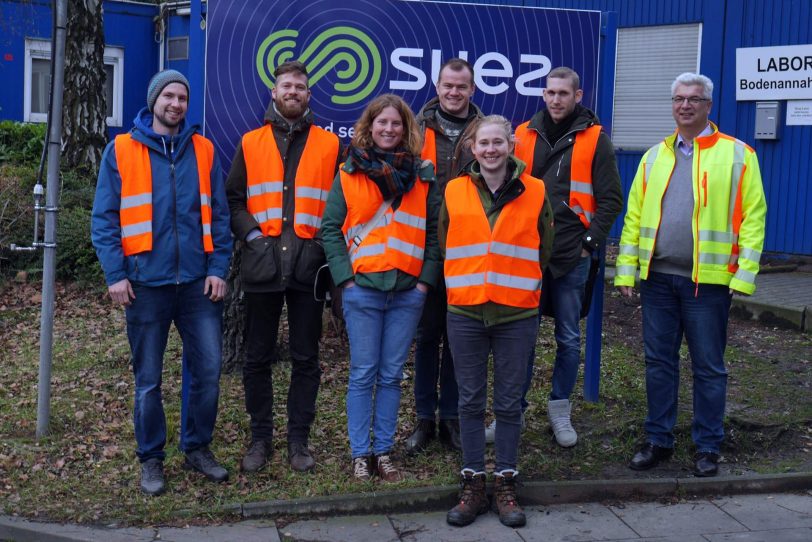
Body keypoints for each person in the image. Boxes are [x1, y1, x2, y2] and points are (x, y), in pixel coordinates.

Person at [615, 72, 767, 477]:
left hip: (710, 283)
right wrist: (626, 272)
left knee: (709, 366)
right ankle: (658, 441)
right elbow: (633, 219)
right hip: (659, 279)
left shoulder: (738, 155)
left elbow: (754, 218)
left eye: (694, 99)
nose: (685, 105)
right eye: (679, 98)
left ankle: (707, 446)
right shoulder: (653, 157)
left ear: (708, 106)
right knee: (659, 363)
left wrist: (744, 275)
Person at [91, 69, 233, 496]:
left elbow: (221, 218)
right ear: (154, 100)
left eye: (182, 98)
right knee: (148, 380)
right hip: (145, 285)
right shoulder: (121, 150)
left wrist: (217, 269)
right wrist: (116, 275)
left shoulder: (204, 151)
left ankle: (197, 448)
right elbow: (104, 220)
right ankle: (151, 459)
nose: (176, 104)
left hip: (197, 285)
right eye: (169, 96)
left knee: (207, 372)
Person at [226, 61, 341, 473]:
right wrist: (254, 237)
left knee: (306, 358)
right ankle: (260, 439)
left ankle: (298, 442)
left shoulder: (329, 146)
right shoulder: (251, 142)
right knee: (256, 358)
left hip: (310, 269)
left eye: (300, 87)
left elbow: (339, 207)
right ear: (274, 93)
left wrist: (321, 247)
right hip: (262, 268)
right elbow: (234, 199)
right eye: (286, 85)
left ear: (309, 96)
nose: (293, 91)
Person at [320, 94, 441, 483]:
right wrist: (346, 279)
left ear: (407, 129)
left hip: (408, 291)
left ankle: (383, 452)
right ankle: (361, 454)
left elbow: (436, 233)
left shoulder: (423, 174)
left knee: (390, 375)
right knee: (362, 373)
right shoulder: (349, 172)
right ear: (369, 127)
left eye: (396, 124)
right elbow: (330, 229)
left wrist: (425, 283)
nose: (388, 129)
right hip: (364, 290)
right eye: (381, 123)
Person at [442, 116, 554, 528]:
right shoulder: (454, 190)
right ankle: (472, 483)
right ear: (473, 149)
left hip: (516, 313)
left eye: (498, 143)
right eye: (483, 143)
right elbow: (445, 240)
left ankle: (506, 481)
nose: (490, 150)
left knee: (509, 404)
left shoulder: (537, 190)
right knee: (469, 402)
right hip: (466, 311)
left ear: (511, 146)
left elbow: (546, 245)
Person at [510, 66, 623, 447]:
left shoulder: (595, 140)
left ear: (578, 96)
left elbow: (610, 201)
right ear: (543, 95)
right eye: (550, 92)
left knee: (569, 338)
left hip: (572, 257)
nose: (556, 99)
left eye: (564, 93)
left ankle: (560, 410)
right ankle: (516, 413)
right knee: (521, 337)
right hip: (526, 255)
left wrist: (588, 245)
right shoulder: (523, 134)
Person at [407, 58, 484, 454]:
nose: (454, 92)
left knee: (459, 340)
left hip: (470, 251)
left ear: (472, 89)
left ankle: (451, 418)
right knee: (427, 337)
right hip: (424, 250)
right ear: (437, 86)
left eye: (462, 86)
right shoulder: (416, 129)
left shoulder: (484, 132)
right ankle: (424, 418)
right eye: (448, 85)